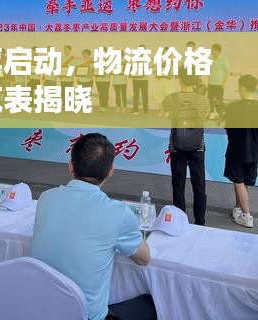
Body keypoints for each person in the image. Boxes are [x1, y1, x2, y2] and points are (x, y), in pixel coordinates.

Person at [30, 133, 155, 320]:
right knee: (150, 304)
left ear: (70, 165)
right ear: (111, 171)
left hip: (36, 309)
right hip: (83, 316)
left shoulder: (47, 197)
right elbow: (144, 259)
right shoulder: (118, 212)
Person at [163, 68, 210, 225]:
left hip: (176, 146)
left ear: (180, 79)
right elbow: (205, 118)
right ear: (195, 80)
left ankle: (180, 221)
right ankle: (200, 222)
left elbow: (168, 116)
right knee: (199, 185)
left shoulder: (170, 99)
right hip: (198, 146)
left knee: (178, 186)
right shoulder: (203, 100)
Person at [224, 74, 258, 228]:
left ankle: (246, 216)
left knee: (238, 182)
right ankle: (238, 209)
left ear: (243, 88)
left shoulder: (234, 106)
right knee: (244, 182)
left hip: (237, 150)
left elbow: (228, 128)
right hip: (254, 152)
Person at [208, 43, 229, 117]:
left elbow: (227, 72)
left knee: (219, 101)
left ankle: (220, 115)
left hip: (219, 84)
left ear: (217, 51)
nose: (211, 51)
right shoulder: (210, 58)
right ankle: (210, 115)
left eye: (212, 50)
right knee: (209, 100)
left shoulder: (223, 59)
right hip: (211, 83)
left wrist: (224, 83)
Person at [131, 45, 149, 115]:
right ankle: (135, 109)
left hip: (144, 80)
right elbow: (131, 67)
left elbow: (150, 66)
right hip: (135, 79)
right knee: (136, 95)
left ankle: (146, 110)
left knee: (144, 95)